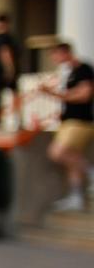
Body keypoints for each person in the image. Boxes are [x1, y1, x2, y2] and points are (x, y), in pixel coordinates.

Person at [40, 42, 93, 213]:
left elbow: (85, 95)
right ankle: (76, 196)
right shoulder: (68, 73)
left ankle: (91, 171)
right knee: (72, 161)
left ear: (65, 53)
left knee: (57, 152)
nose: (55, 59)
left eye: (56, 55)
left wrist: (57, 94)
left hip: (80, 121)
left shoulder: (83, 69)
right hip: (68, 121)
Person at [0, 14, 21, 114]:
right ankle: (13, 117)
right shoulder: (6, 38)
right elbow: (5, 53)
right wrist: (9, 69)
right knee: (13, 94)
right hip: (3, 71)